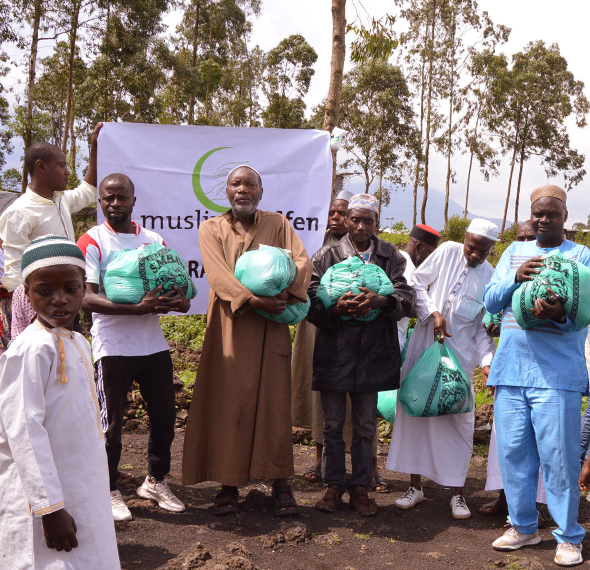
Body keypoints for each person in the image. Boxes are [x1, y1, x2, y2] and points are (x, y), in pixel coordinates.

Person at [182, 165, 312, 517]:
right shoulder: (211, 228)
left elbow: (301, 261)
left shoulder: (279, 224)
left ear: (260, 191)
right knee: (229, 403)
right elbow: (217, 274)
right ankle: (228, 485)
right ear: (226, 191)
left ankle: (282, 484)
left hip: (271, 327)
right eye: (236, 183)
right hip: (230, 326)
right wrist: (252, 299)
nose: (243, 189)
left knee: (274, 403)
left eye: (250, 184)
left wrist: (283, 291)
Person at [484, 185, 590, 566]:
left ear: (565, 217)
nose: (544, 220)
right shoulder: (515, 252)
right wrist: (515, 277)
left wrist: (558, 314)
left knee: (559, 457)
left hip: (556, 375)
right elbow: (491, 301)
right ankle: (524, 527)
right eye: (538, 214)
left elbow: (584, 313)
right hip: (511, 370)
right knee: (513, 454)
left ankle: (568, 536)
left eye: (552, 214)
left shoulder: (582, 256)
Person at [0, 235, 120, 569]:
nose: (59, 300)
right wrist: (49, 508)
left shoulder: (78, 340)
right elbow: (23, 431)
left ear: (85, 288)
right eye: (44, 291)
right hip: (45, 498)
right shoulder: (31, 349)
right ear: (26, 293)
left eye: (70, 289)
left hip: (83, 484)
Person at [78, 173, 190, 522]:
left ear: (133, 201)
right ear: (101, 202)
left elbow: (176, 287)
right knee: (111, 424)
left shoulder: (152, 239)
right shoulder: (92, 239)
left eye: (121, 197)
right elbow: (86, 296)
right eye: (108, 198)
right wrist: (135, 309)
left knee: (165, 418)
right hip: (112, 345)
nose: (114, 203)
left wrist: (177, 300)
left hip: (151, 343)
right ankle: (108, 488)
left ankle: (155, 481)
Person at [308, 193, 416, 517]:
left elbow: (406, 298)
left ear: (376, 224)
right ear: (346, 221)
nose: (360, 225)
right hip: (335, 353)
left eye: (367, 220)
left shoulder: (390, 256)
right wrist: (335, 308)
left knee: (366, 425)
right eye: (354, 219)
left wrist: (380, 301)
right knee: (333, 425)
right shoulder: (326, 255)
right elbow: (310, 300)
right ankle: (332, 488)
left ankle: (360, 488)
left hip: (372, 353)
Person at [386, 218, 498, 520]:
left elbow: (481, 330)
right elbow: (417, 284)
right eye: (470, 247)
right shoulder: (448, 251)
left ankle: (457, 494)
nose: (473, 255)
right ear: (465, 240)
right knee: (414, 415)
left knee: (458, 423)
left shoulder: (490, 277)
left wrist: (487, 362)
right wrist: (433, 312)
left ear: (491, 250)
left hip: (458, 359)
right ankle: (415, 488)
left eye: (481, 252)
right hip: (424, 347)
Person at [0, 123, 103, 338]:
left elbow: (88, 191)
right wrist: (34, 319)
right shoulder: (20, 212)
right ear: (41, 166)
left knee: (68, 363)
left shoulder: (60, 200)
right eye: (62, 166)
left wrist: (95, 147)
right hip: (42, 313)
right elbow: (15, 273)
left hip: (65, 304)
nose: (67, 172)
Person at [291, 190, 352, 483]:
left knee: (355, 397)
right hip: (315, 324)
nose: (336, 218)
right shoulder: (314, 243)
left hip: (351, 327)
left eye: (343, 213)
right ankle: (319, 460)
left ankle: (362, 466)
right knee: (318, 391)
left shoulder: (361, 249)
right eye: (332, 213)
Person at [481, 219, 540, 517]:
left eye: (532, 237)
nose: (526, 242)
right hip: (510, 365)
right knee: (508, 440)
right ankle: (507, 501)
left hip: (543, 370)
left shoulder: (554, 266)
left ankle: (537, 507)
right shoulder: (509, 265)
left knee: (542, 441)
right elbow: (491, 306)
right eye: (521, 237)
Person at [397, 224, 440, 353]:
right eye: (429, 253)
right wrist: (433, 311)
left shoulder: (397, 258)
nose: (430, 259)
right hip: (391, 344)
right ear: (418, 246)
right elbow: (404, 307)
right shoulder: (408, 269)